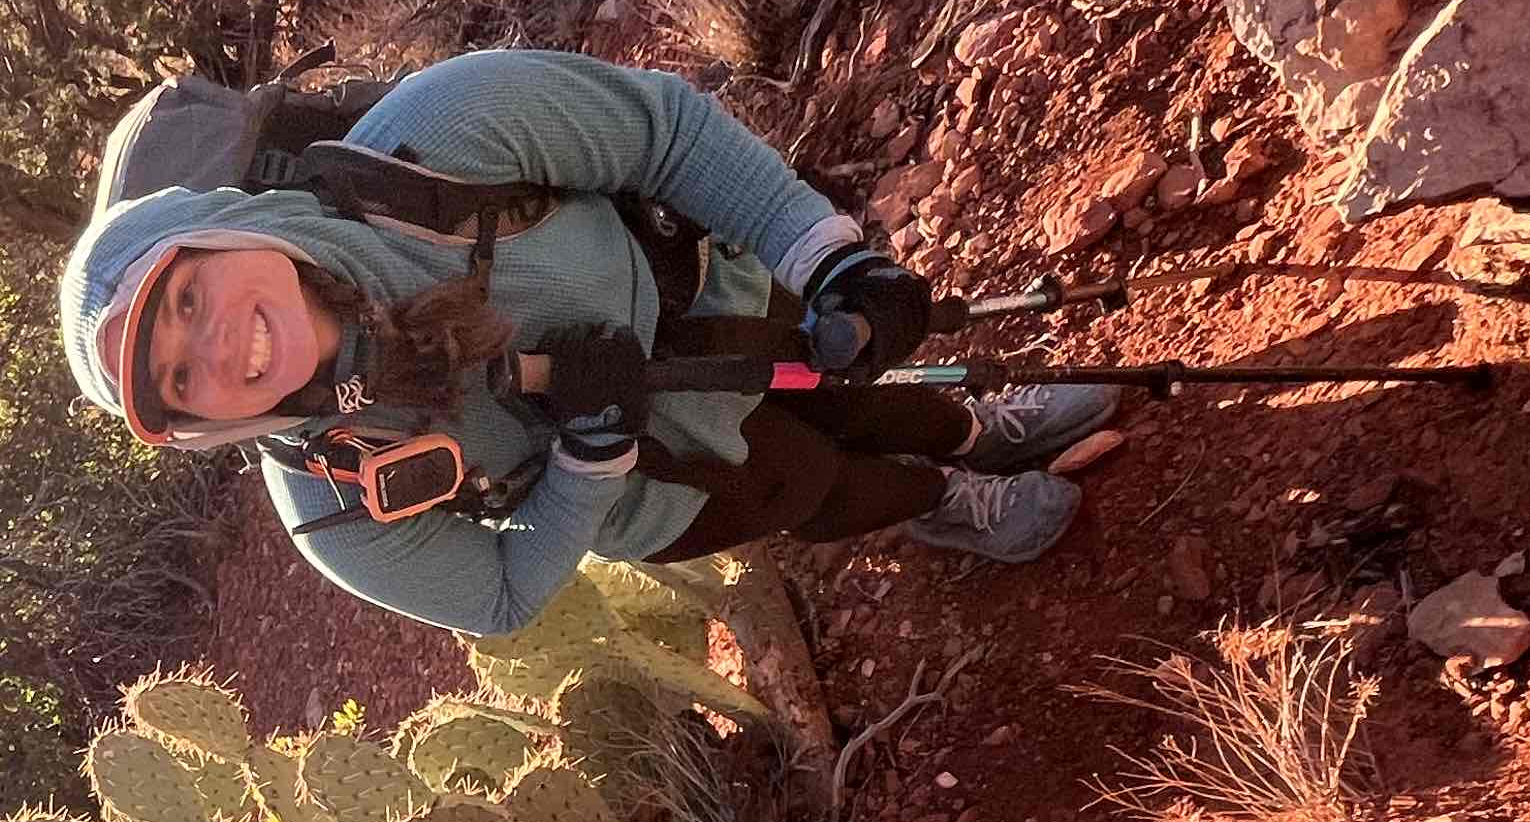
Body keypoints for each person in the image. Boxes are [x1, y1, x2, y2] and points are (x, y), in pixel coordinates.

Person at [57, 48, 1112, 643]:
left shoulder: (439, 138)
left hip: (724, 303)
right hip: (672, 486)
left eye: (185, 299)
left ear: (221, 229)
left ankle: (978, 430)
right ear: (198, 428)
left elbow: (667, 132)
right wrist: (583, 467)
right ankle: (944, 505)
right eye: (176, 382)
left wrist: (833, 261)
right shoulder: (333, 506)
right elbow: (503, 596)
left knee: (859, 390)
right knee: (817, 485)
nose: (217, 351)